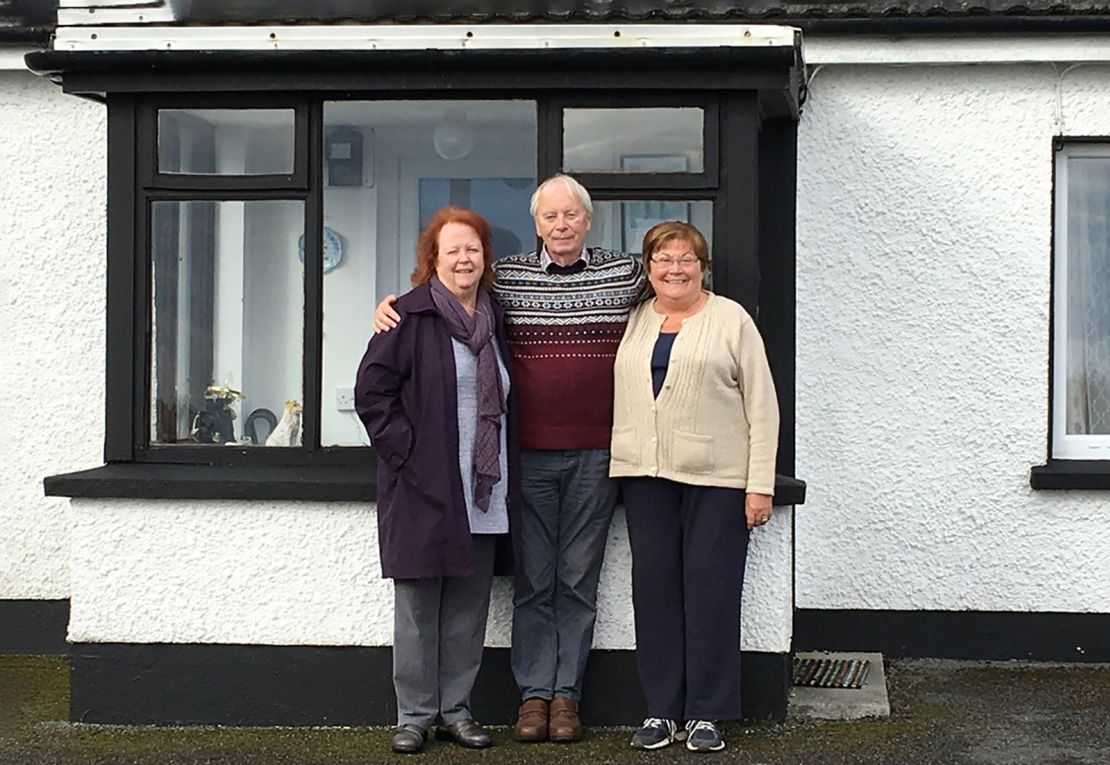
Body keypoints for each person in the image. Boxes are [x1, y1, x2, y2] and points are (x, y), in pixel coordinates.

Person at [374, 174, 648, 742]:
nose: (561, 224)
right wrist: (391, 306)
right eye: (550, 216)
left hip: (594, 457)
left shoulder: (625, 274)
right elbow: (411, 344)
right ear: (536, 224)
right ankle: (530, 699)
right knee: (531, 581)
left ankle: (565, 697)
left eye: (571, 214)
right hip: (521, 461)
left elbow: (677, 280)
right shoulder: (510, 284)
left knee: (576, 581)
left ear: (587, 219)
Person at [609, 221, 779, 753]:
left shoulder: (731, 320)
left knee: (711, 592)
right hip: (646, 477)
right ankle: (661, 710)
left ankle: (706, 712)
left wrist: (760, 485)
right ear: (649, 267)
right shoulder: (636, 318)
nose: (674, 268)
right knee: (654, 592)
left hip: (718, 480)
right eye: (663, 259)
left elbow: (762, 406)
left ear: (702, 267)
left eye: (686, 259)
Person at [355, 206, 519, 755]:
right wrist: (409, 453)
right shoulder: (406, 316)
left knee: (469, 610)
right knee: (419, 608)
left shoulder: (498, 318)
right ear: (433, 259)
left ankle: (457, 710)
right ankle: (414, 715)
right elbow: (372, 393)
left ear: (484, 258)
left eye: (472, 248)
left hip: (483, 488)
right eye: (451, 250)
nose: (463, 258)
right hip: (424, 487)